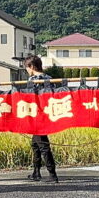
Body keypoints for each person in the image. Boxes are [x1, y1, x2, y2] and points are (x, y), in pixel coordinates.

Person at [24, 55, 59, 183]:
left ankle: (52, 174)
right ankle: (36, 172)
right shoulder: (49, 79)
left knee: (43, 144)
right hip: (47, 114)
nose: (27, 70)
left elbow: (29, 98)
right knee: (35, 144)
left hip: (37, 116)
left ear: (32, 67)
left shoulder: (33, 80)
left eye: (27, 68)